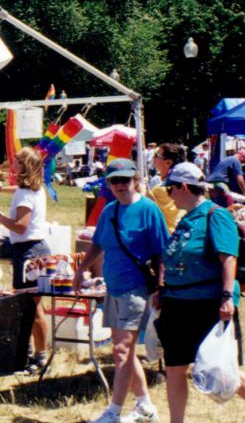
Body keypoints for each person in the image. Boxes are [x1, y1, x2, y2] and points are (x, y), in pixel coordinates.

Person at [154, 162, 245, 423]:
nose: (168, 194)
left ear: (184, 187)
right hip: (176, 304)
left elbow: (228, 258)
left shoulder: (216, 215)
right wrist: (163, 288)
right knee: (175, 367)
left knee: (221, 367)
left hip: (208, 304)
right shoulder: (186, 218)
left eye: (170, 189)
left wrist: (226, 298)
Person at [77, 159, 166, 423]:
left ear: (135, 180)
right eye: (114, 181)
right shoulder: (109, 211)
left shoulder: (149, 210)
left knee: (121, 351)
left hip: (136, 289)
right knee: (124, 352)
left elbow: (162, 253)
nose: (119, 185)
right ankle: (145, 406)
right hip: (113, 289)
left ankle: (113, 412)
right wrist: (80, 270)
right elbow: (97, 244)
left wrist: (162, 287)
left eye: (124, 180)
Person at [0, 147, 49, 373]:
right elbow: (19, 191)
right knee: (30, 306)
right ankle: (30, 354)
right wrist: (1, 189)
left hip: (29, 251)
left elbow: (21, 227)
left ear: (25, 166)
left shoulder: (25, 194)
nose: (13, 164)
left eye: (18, 161)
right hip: (33, 250)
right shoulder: (33, 188)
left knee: (32, 308)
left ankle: (39, 357)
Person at [147, 143, 185, 233]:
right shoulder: (186, 185)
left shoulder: (159, 190)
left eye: (157, 155)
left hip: (168, 235)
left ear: (168, 163)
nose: (154, 158)